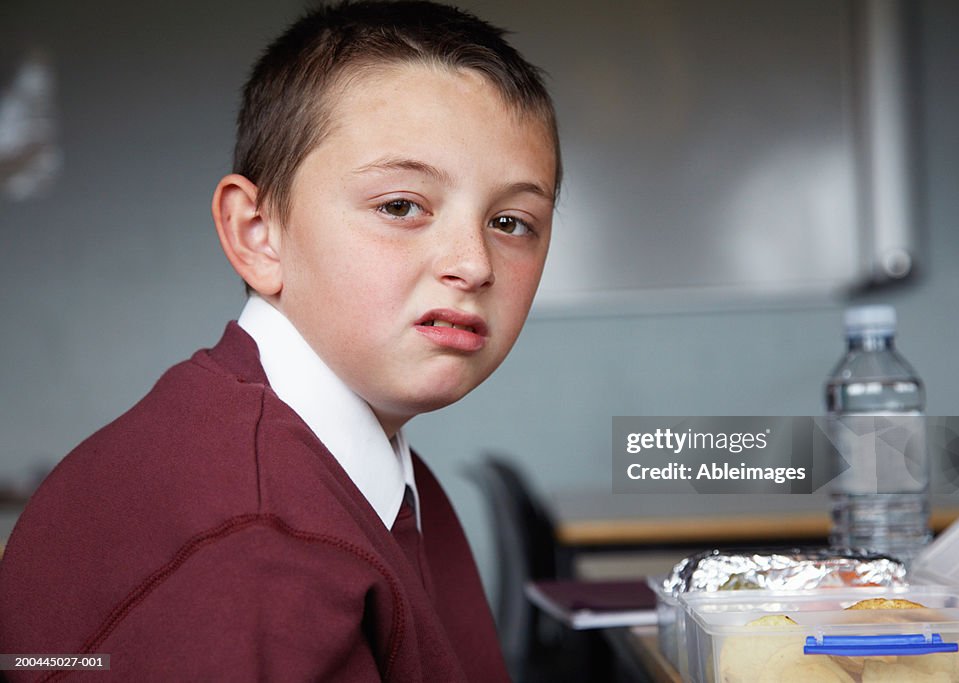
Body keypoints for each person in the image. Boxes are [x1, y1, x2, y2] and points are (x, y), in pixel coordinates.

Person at [0, 2, 560, 680]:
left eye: (511, 221)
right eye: (401, 206)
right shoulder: (253, 544)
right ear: (257, 234)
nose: (473, 263)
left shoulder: (364, 471)